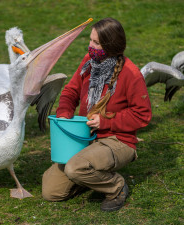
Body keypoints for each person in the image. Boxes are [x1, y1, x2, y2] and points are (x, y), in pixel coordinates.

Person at [42, 17, 152, 212]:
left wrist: (105, 122)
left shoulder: (131, 73)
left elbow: (142, 114)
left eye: (96, 42)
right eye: (90, 40)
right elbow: (70, 92)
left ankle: (116, 187)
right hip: (87, 136)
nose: (90, 46)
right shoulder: (89, 61)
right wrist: (64, 113)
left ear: (110, 45)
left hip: (118, 140)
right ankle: (88, 175)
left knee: (74, 168)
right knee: (51, 191)